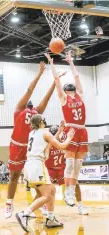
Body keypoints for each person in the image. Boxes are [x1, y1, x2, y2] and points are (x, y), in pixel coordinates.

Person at [5, 61, 66, 219]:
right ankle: (9, 203)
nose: (30, 106)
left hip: (31, 150)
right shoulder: (19, 109)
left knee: (38, 179)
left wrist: (55, 82)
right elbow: (29, 90)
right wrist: (39, 73)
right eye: (29, 104)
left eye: (32, 105)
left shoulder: (37, 113)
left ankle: (39, 205)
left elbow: (46, 97)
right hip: (16, 146)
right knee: (14, 176)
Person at [16, 114, 75, 232]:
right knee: (47, 195)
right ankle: (24, 214)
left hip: (31, 165)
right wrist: (69, 137)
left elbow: (48, 143)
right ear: (41, 122)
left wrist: (59, 131)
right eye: (43, 119)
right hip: (37, 165)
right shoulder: (45, 132)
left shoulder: (32, 133)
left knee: (51, 190)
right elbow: (61, 145)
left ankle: (51, 218)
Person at [45, 51, 88, 206]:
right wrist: (52, 63)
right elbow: (56, 80)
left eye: (71, 90)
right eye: (68, 90)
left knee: (78, 166)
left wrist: (71, 62)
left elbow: (77, 77)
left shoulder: (80, 95)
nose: (70, 91)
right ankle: (68, 193)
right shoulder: (63, 98)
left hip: (82, 130)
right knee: (69, 164)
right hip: (71, 130)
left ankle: (70, 192)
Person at [41, 125, 88, 215]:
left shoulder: (64, 142)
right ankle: (45, 206)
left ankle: (80, 206)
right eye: (53, 134)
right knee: (46, 187)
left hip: (61, 169)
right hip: (50, 169)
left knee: (76, 184)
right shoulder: (46, 143)